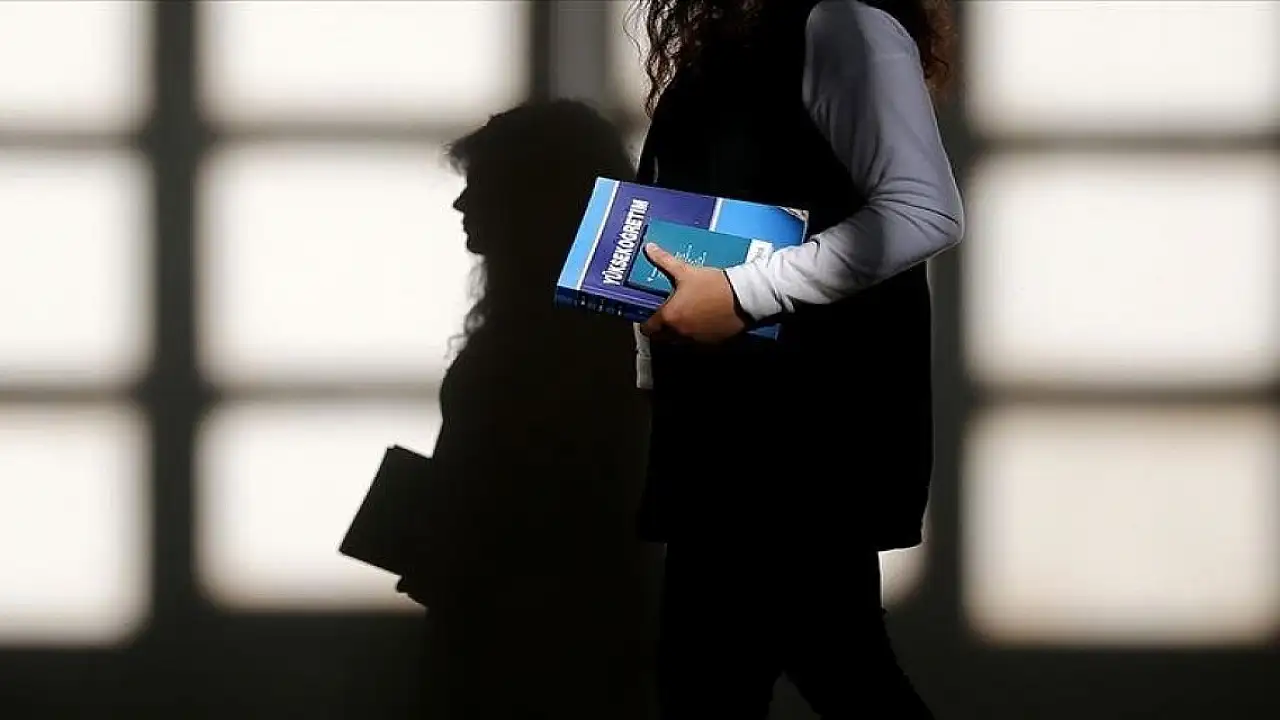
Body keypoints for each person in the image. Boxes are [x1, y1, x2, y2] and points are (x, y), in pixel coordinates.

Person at [628, 0, 964, 717]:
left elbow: (923, 211)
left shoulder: (842, 23)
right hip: (729, 434)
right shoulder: (737, 38)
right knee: (773, 673)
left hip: (800, 442)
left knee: (776, 675)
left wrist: (741, 294)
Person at [396, 100, 662, 720]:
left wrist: (451, 538)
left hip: (535, 638)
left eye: (482, 184)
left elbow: (557, 497)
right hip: (548, 628)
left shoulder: (566, 337)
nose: (461, 204)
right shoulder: (598, 327)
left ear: (534, 198)